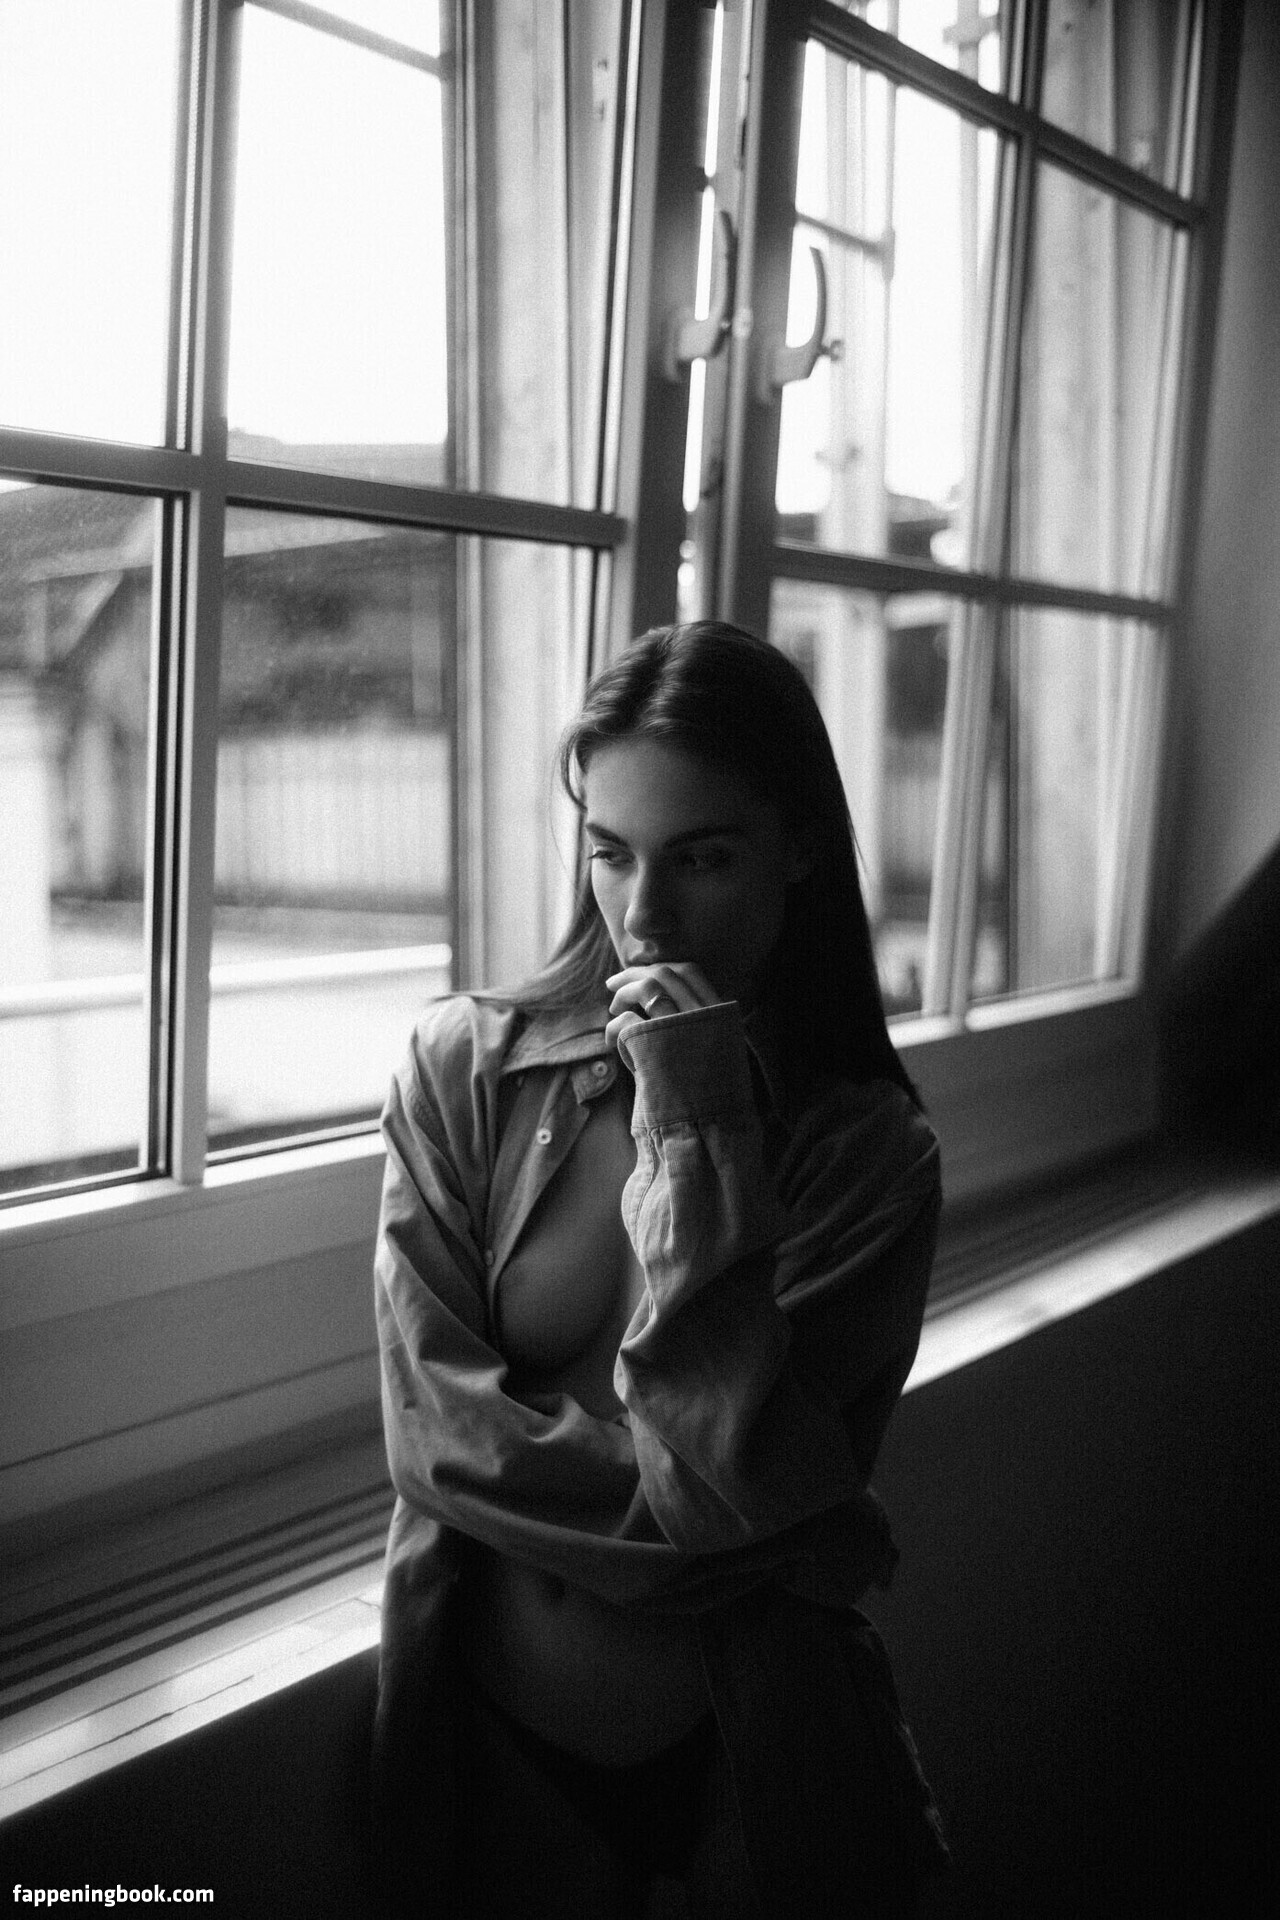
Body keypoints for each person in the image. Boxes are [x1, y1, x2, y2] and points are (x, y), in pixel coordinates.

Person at [370, 621, 947, 1918]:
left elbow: (721, 1479)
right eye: (611, 851)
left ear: (799, 846)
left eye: (703, 857)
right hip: (485, 1743)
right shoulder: (463, 1074)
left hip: (751, 1757)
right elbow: (432, 1443)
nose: (644, 915)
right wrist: (783, 1528)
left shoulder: (868, 1158)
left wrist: (696, 1117)